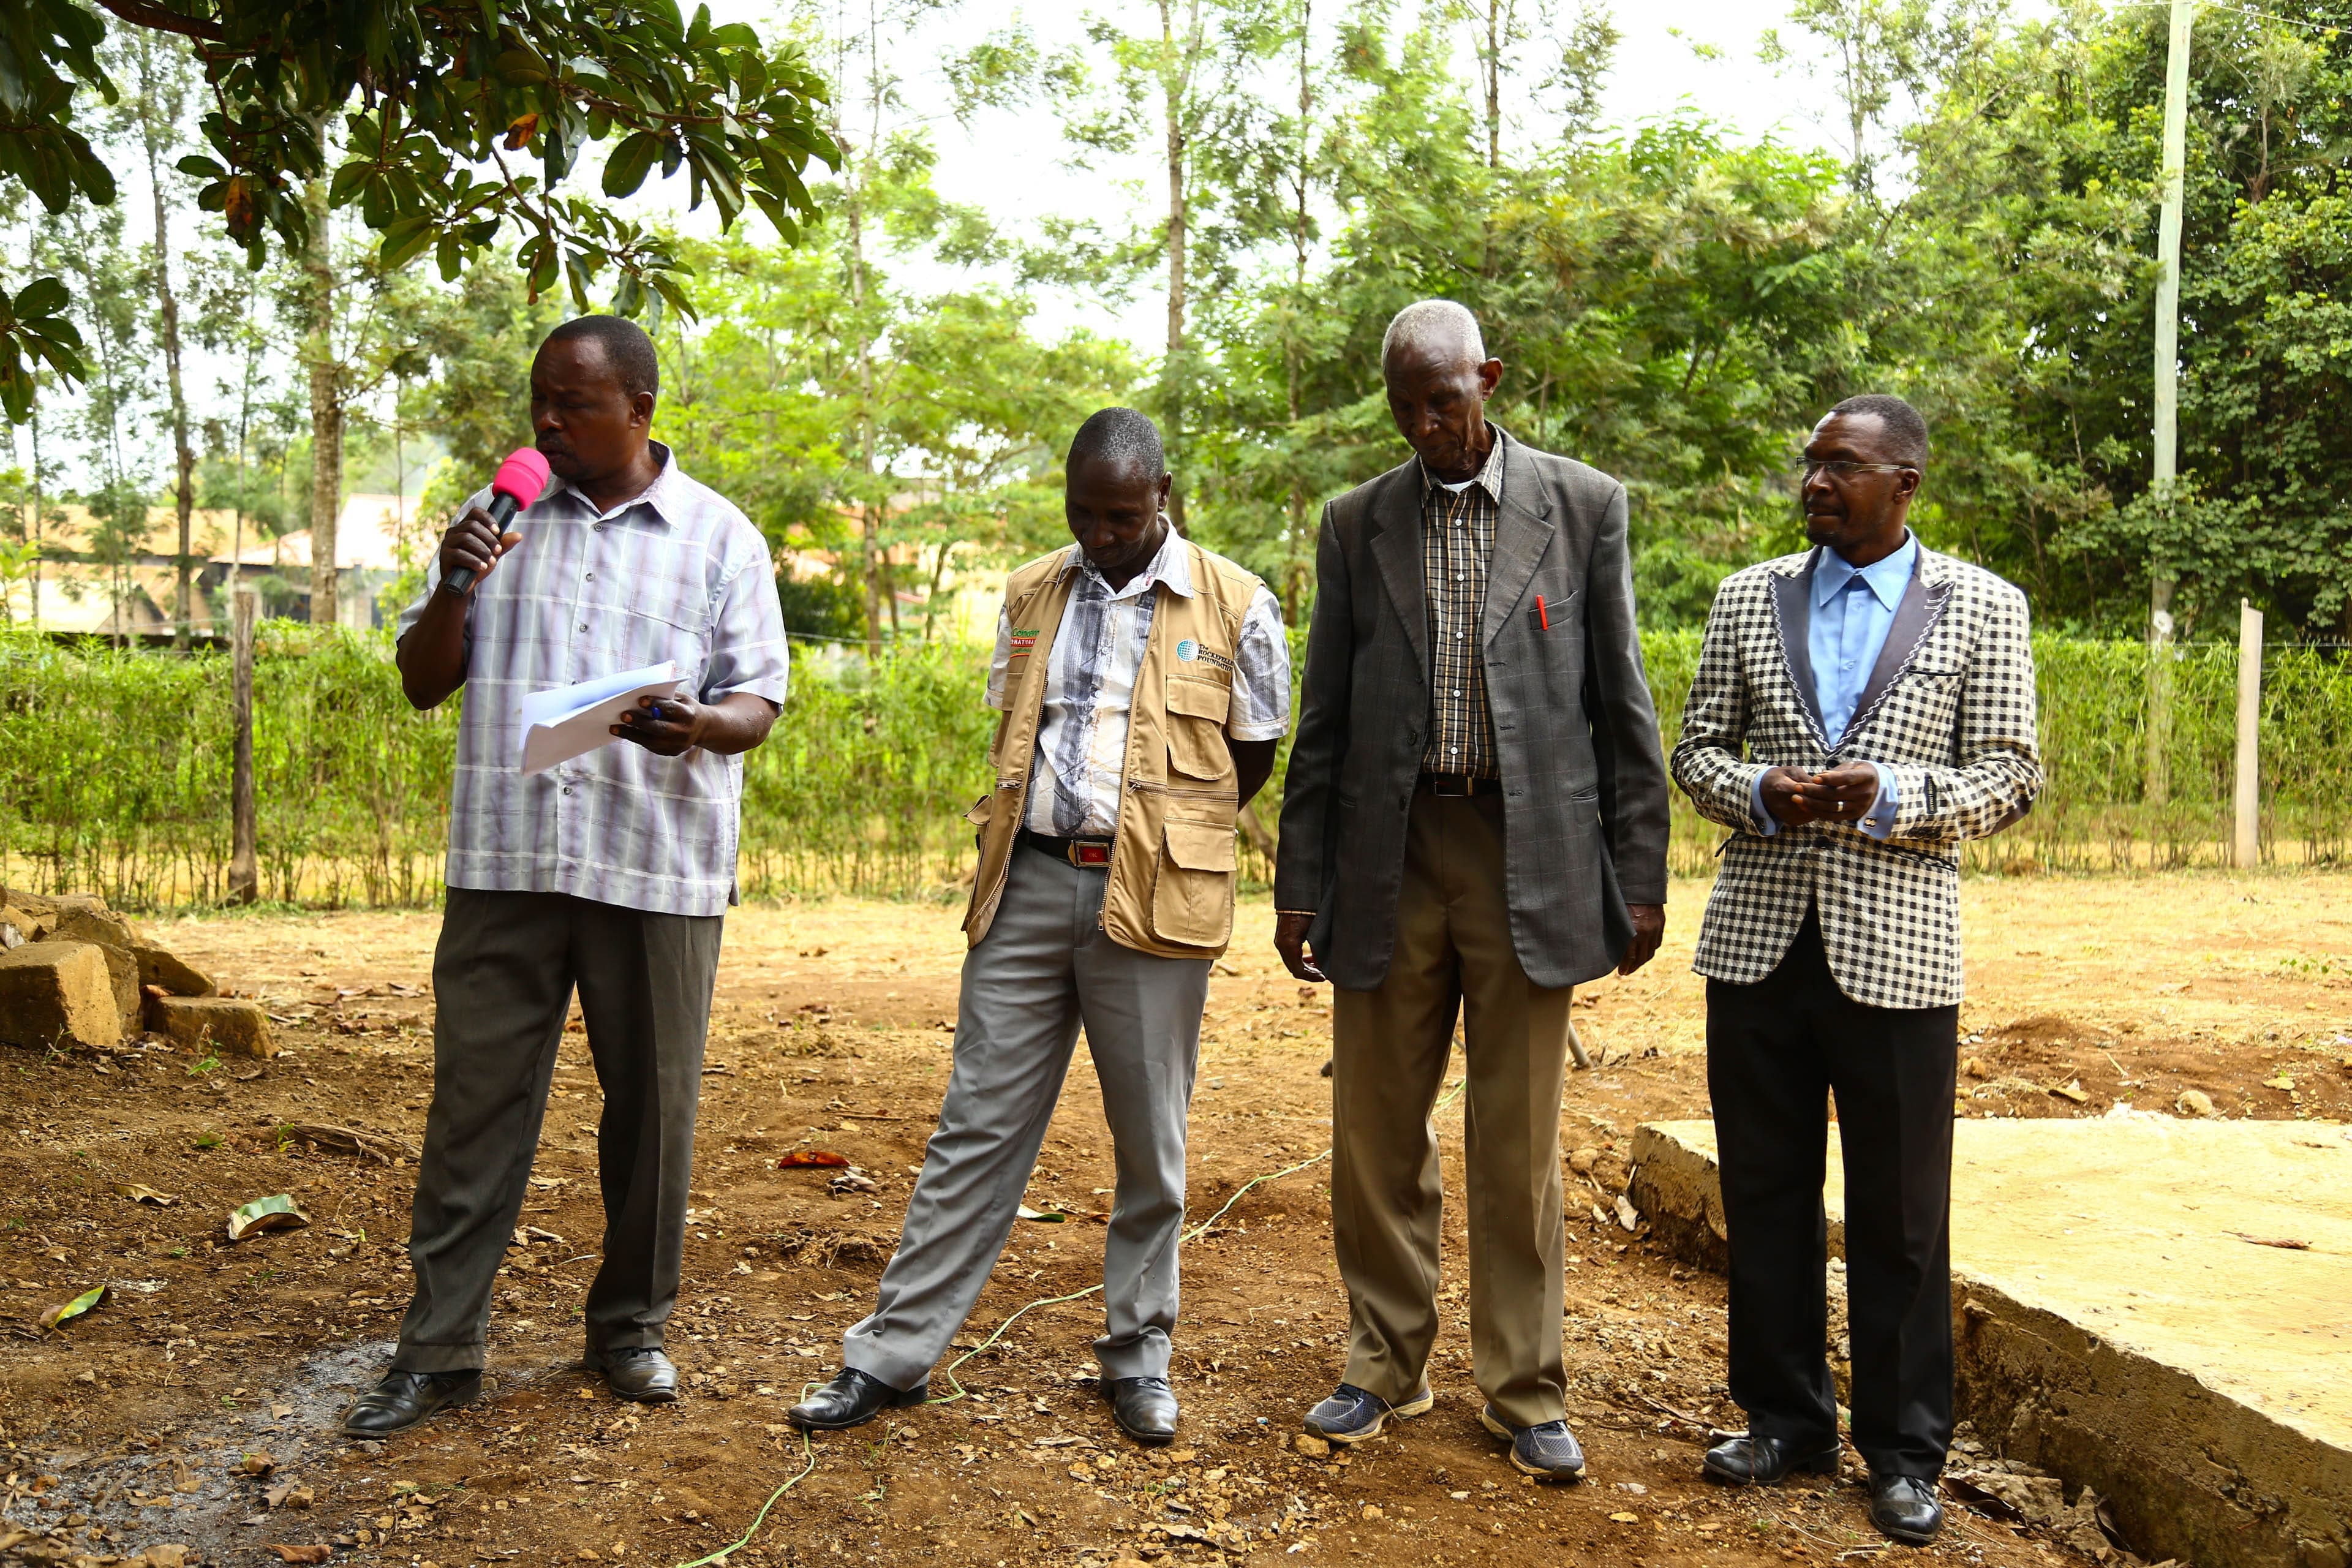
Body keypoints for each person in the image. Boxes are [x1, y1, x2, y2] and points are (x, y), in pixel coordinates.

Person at [787, 409, 1292, 1447]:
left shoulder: (1238, 603)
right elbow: (1016, 726)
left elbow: (1253, 758)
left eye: (1120, 515)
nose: (1100, 536)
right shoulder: (1030, 592)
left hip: (1151, 902)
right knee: (974, 1125)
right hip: (1025, 888)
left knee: (1151, 1143)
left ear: (1163, 499)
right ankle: (892, 1353)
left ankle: (1138, 1357)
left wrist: (1155, 826)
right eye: (1083, 514)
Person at [337, 316, 789, 1436]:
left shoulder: (720, 538)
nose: (546, 422)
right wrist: (453, 584)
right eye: (539, 399)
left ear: (639, 410)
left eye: (572, 405)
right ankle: (438, 1351)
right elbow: (421, 681)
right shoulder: (497, 525)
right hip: (509, 860)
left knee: (654, 1112)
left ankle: (630, 1326)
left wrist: (699, 725)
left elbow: (759, 702)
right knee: (474, 1108)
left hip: (655, 867)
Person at [1273, 300, 1670, 1482]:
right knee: (1377, 1133)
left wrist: (1637, 876)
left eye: (1443, 401)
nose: (1426, 426)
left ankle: (1524, 1387)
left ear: (1488, 380)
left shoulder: (1584, 508)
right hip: (1388, 861)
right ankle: (1383, 1362)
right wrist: (1301, 884)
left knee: (1520, 1139)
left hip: (1528, 859)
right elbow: (1327, 721)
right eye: (1405, 408)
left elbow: (1620, 702)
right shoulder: (1357, 526)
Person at [1669, 394, 2042, 1545]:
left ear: (1907, 483)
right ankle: (1784, 1418)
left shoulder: (1982, 606)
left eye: (1844, 467)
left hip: (1900, 955)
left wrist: (1899, 798)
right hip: (1760, 945)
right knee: (1765, 1192)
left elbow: (2014, 772)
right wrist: (1760, 794)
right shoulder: (1749, 598)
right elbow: (1695, 749)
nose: (1816, 483)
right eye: (1812, 465)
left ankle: (1902, 1449)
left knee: (1900, 1213)